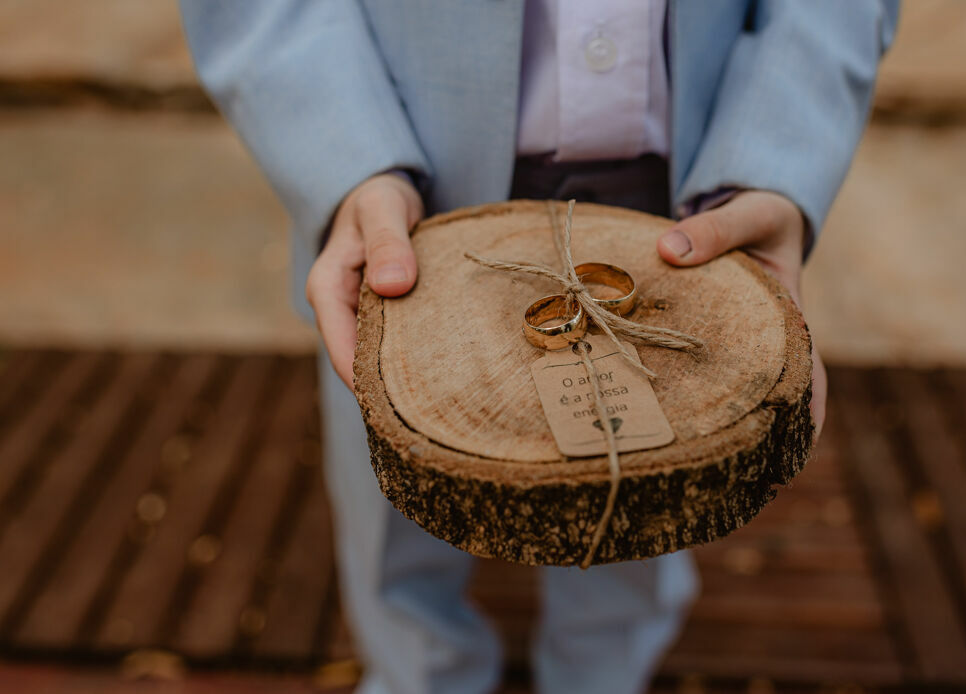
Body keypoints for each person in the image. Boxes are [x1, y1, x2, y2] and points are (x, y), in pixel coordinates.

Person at [179, 2, 899, 692]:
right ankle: (417, 677)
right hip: (406, 195)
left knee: (638, 531)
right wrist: (346, 161)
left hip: (682, 204)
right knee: (392, 530)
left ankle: (605, 676)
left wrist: (772, 158)